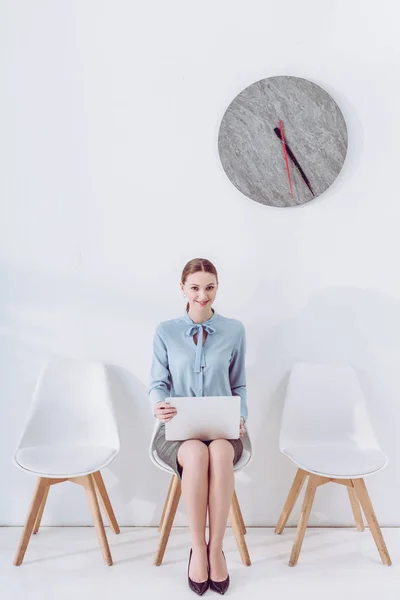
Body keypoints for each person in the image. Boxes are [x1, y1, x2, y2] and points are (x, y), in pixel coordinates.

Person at [149, 258, 248, 595]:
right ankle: (197, 550)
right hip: (178, 431)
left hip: (223, 429)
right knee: (195, 454)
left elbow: (239, 384)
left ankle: (216, 548)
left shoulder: (234, 330)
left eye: (209, 287)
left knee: (219, 452)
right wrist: (158, 402)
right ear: (183, 288)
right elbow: (157, 382)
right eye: (195, 287)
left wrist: (241, 416)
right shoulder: (166, 331)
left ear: (217, 287)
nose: (202, 295)